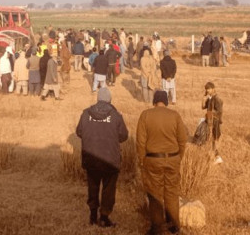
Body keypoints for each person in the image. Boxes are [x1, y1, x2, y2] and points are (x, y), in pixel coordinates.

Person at [136, 91, 188, 235]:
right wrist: (178, 158)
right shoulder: (175, 116)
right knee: (171, 193)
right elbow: (182, 141)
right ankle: (174, 226)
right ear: (166, 102)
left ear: (154, 101)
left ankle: (157, 228)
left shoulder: (145, 115)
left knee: (155, 194)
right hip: (172, 159)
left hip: (152, 160)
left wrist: (142, 161)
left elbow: (140, 142)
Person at [76, 87, 129, 227]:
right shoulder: (116, 115)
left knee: (92, 187)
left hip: (91, 158)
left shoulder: (86, 113)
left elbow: (79, 132)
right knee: (108, 189)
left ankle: (93, 216)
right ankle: (104, 217)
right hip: (109, 160)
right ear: (110, 100)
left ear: (98, 99)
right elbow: (123, 136)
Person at [202, 82, 224, 164]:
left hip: (216, 122)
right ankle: (215, 156)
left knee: (215, 139)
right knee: (211, 139)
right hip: (210, 122)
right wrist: (203, 99)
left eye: (209, 89)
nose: (207, 90)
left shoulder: (217, 99)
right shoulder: (210, 98)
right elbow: (203, 107)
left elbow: (219, 111)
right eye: (206, 89)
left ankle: (217, 156)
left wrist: (210, 114)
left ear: (213, 89)